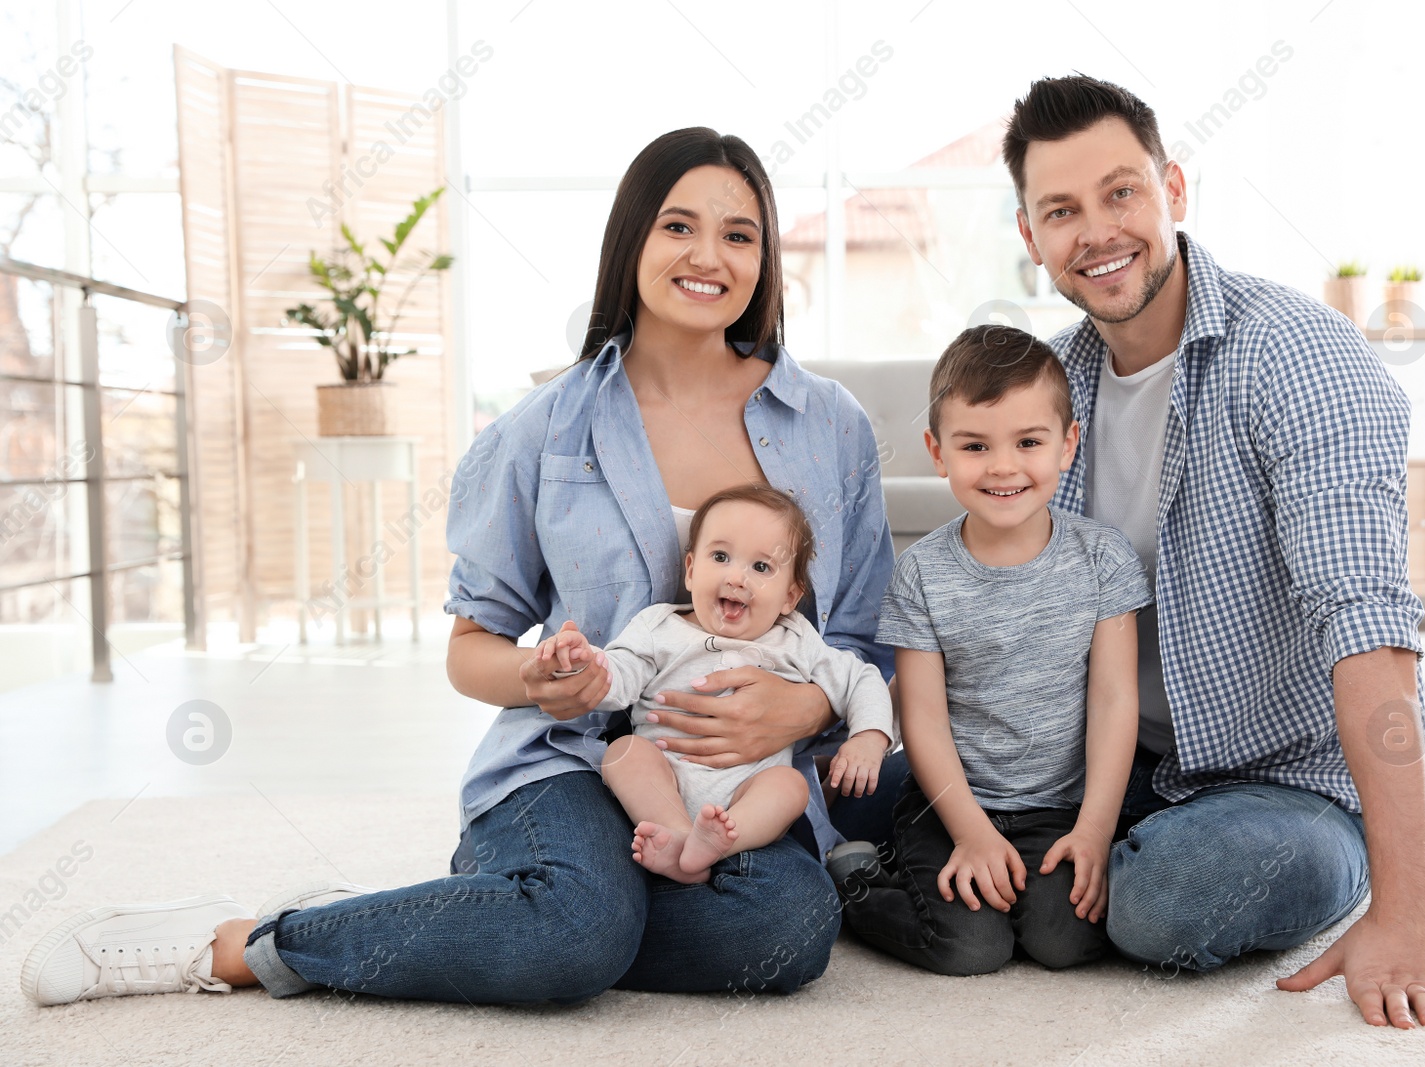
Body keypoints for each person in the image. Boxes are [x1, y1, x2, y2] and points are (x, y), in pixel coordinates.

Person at [21, 127, 898, 1008]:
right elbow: (471, 643)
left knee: (784, 929)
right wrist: (541, 677)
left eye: (739, 235)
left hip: (731, 789)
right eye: (679, 226)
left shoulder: (829, 425)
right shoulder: (544, 428)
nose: (709, 256)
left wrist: (808, 701)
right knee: (577, 932)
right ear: (632, 239)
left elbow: (859, 631)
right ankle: (246, 944)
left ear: (764, 257)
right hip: (572, 761)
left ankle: (491, 912)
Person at [1003, 75, 1425, 1028]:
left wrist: (1408, 912)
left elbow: (1367, 626)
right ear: (1030, 237)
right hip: (1114, 764)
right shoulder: (1052, 390)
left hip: (1285, 781)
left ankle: (1278, 867)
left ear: (1172, 189)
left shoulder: (1299, 356)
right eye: (1062, 210)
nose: (1097, 231)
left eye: (1120, 192)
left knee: (1172, 898)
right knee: (879, 776)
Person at [843, 325, 1146, 976]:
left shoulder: (1104, 558)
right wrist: (971, 831)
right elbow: (920, 718)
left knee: (1063, 940)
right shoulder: (922, 572)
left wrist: (1094, 828)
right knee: (969, 946)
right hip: (948, 800)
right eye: (975, 445)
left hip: (1058, 806)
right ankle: (860, 882)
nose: (1004, 466)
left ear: (1067, 444)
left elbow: (1116, 696)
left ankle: (1027, 877)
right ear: (937, 451)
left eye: (1028, 442)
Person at [534, 483, 894, 884]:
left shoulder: (795, 638)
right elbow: (619, 677)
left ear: (790, 596)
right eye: (720, 557)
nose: (736, 577)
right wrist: (583, 664)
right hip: (664, 775)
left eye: (761, 567)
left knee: (790, 786)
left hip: (747, 792)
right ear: (690, 570)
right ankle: (681, 836)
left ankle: (718, 843)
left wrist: (869, 736)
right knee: (623, 752)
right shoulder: (660, 626)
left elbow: (862, 677)